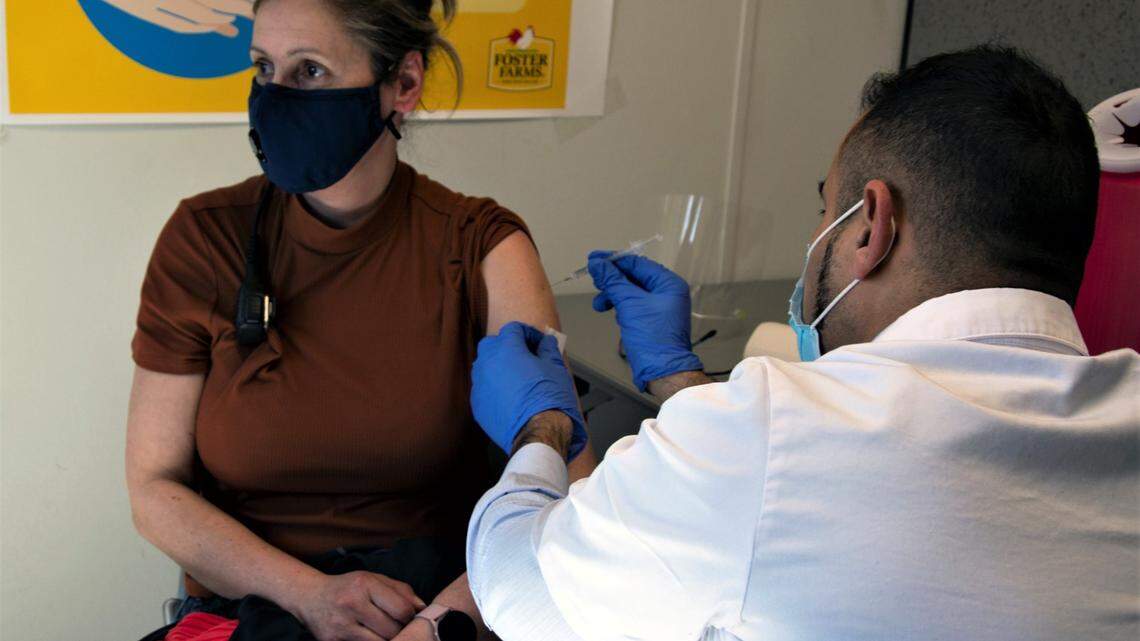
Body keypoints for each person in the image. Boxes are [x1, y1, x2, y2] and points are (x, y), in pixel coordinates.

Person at [464, 46, 1140, 641]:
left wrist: (540, 430)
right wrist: (679, 379)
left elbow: (518, 589)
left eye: (825, 208)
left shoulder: (765, 431)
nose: (814, 237)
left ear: (870, 224)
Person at [126, 1, 596, 640]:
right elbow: (154, 489)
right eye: (264, 68)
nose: (276, 96)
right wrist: (310, 596)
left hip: (438, 606)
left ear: (403, 84)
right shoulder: (205, 240)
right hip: (253, 607)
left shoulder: (483, 247)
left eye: (310, 70)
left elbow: (563, 486)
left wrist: (434, 627)